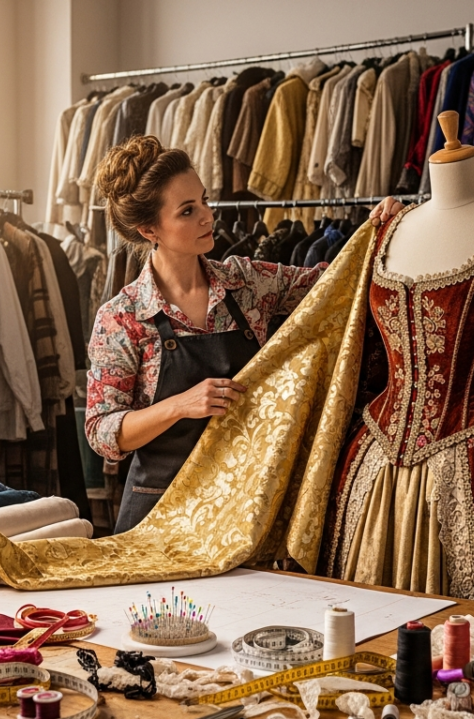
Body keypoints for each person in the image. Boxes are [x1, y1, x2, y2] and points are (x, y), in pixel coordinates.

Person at [87, 135, 403, 533]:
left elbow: (337, 282)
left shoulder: (247, 283)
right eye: (188, 211)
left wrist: (381, 228)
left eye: (204, 200)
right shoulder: (123, 317)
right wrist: (181, 405)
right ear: (149, 229)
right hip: (157, 516)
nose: (207, 216)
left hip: (240, 514)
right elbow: (102, 434)